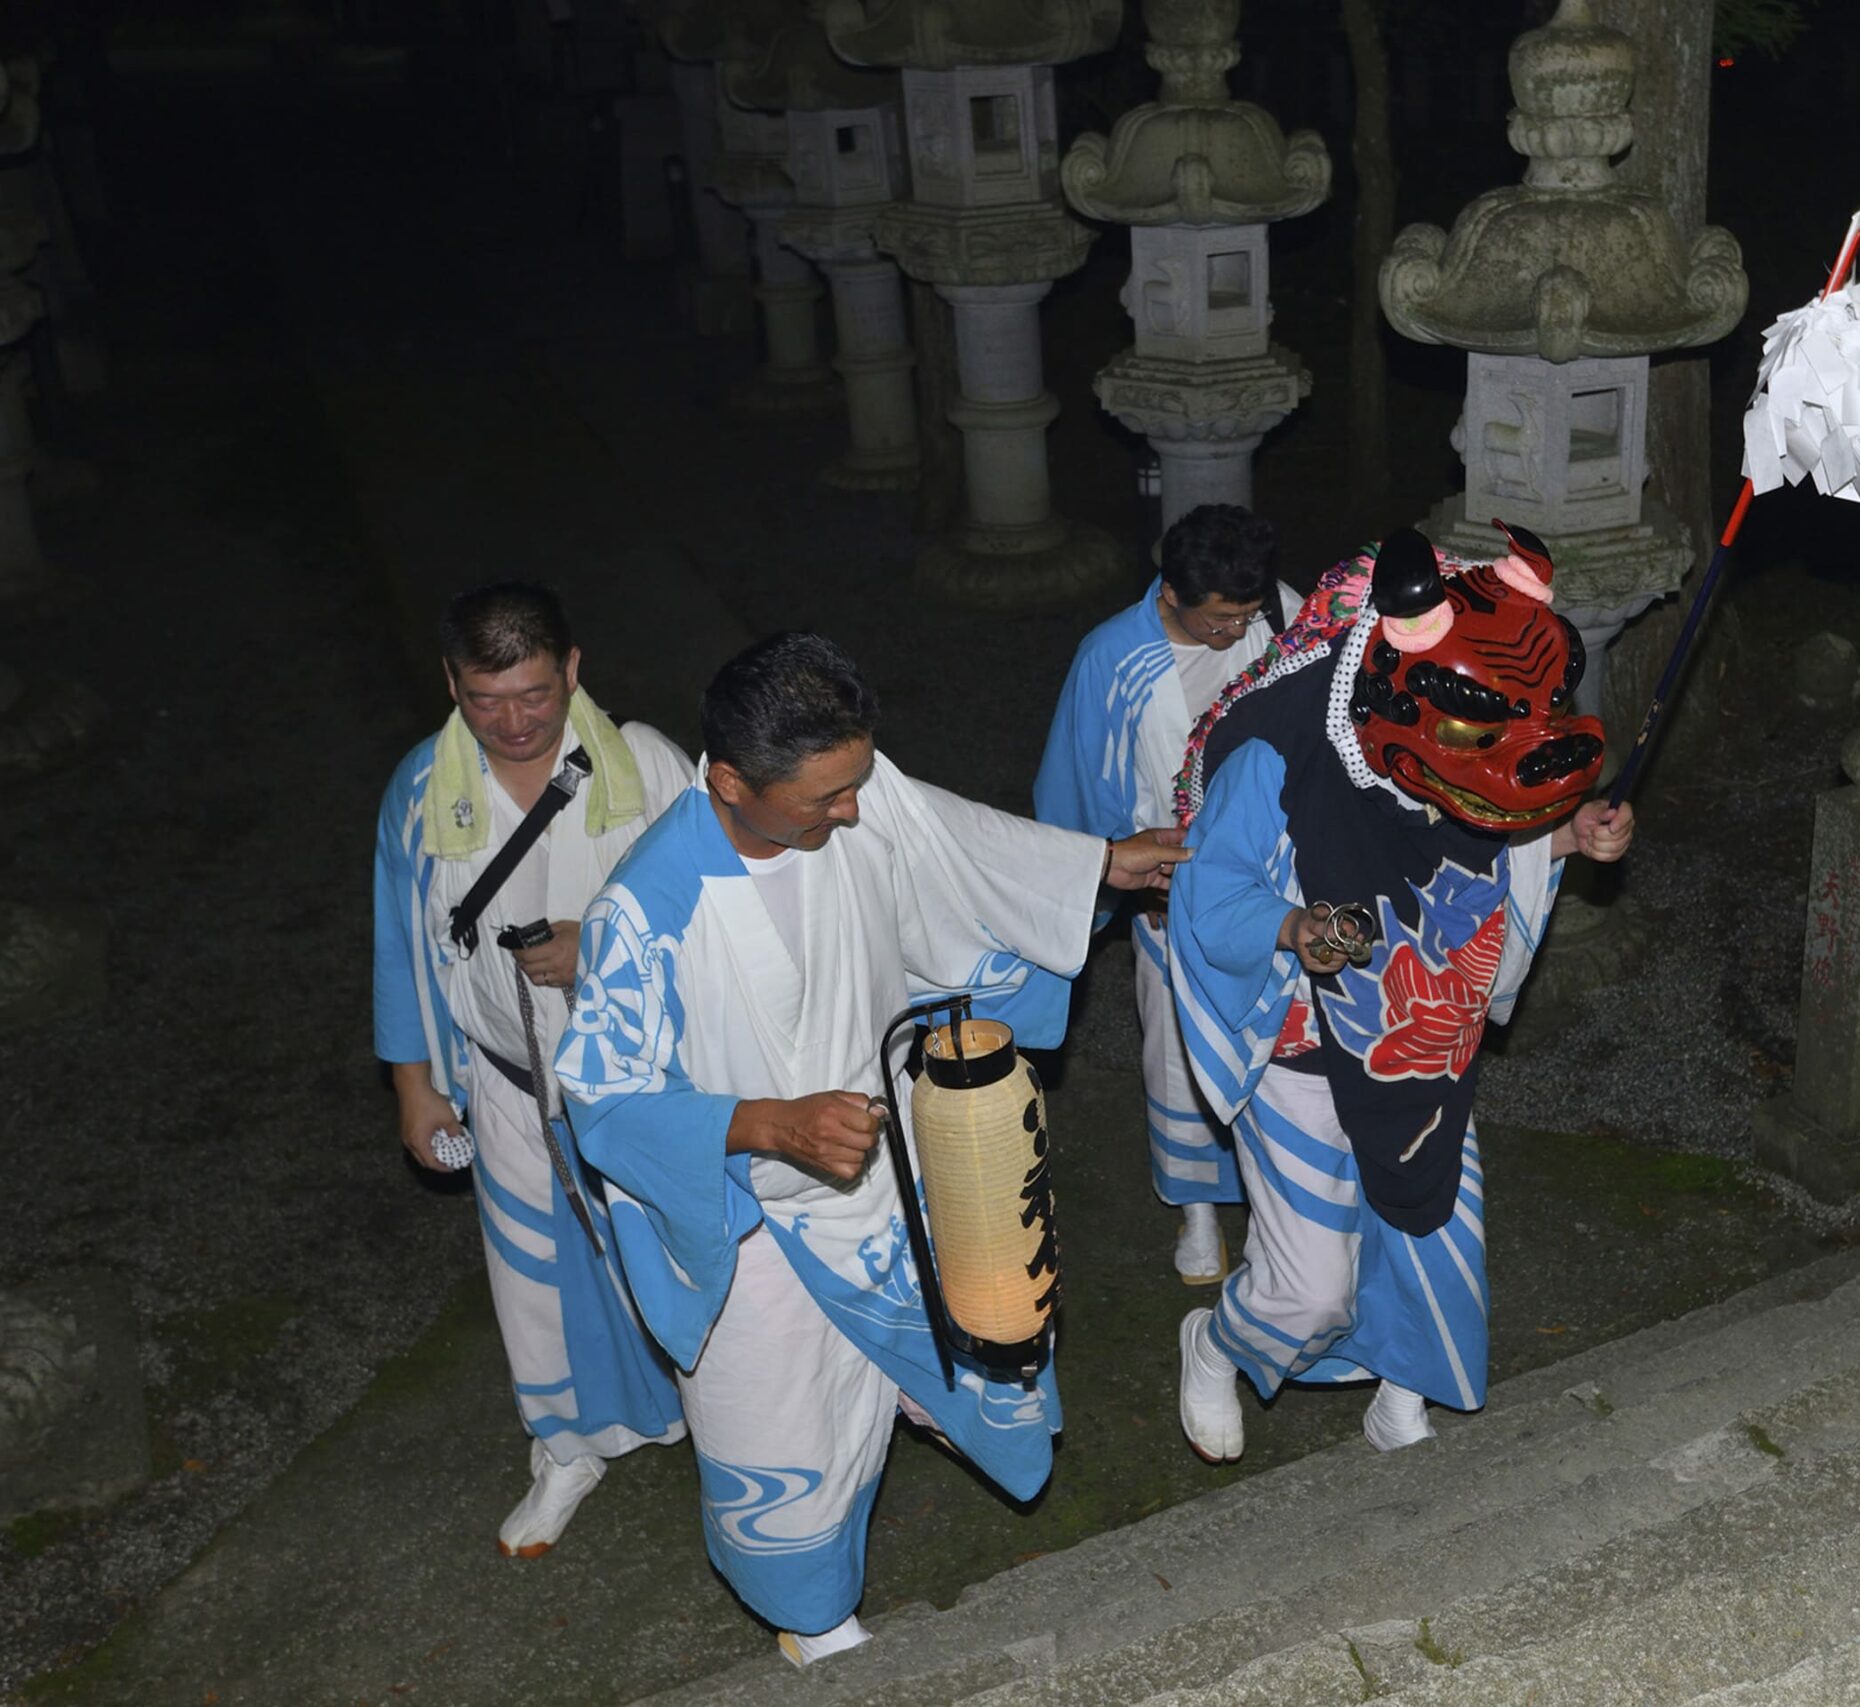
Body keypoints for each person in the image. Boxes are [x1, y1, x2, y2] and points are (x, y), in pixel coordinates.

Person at [555, 631, 1185, 1668]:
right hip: (750, 1210)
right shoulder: (645, 911)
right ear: (728, 782)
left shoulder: (854, 786)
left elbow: (958, 846)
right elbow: (606, 1100)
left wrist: (1103, 867)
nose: (853, 811)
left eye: (856, 782)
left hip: (885, 1163)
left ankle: (911, 1398)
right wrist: (764, 1122)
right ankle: (812, 1620)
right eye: (823, 800)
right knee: (790, 1426)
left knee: (961, 1346)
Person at [1163, 524, 1635, 1462]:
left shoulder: (1462, 715)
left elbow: (1490, 798)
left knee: (1428, 1227)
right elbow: (1209, 899)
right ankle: (1218, 1343)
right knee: (1310, 1286)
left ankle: (1400, 1386)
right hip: (1299, 1031)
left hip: (1423, 1028)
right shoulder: (1279, 743)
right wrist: (1294, 928)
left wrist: (1571, 834)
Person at [371, 582, 692, 1557]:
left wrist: (599, 943)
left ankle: (722, 1416)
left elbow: (727, 910)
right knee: (531, 1274)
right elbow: (399, 938)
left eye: (536, 696)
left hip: (646, 1079)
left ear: (574, 671)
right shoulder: (422, 789)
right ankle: (564, 1447)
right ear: (452, 686)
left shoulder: (649, 766)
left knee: (678, 1254)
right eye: (485, 699)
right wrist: (413, 1084)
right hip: (504, 1078)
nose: (512, 723)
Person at [1034, 503, 1304, 1284]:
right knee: (1178, 1054)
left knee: (1279, 1041)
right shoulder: (1111, 659)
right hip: (1172, 885)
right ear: (1171, 594)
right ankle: (1195, 1211)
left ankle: (1275, 1208)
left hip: (1277, 875)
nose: (1235, 634)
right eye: (1220, 621)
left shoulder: (1277, 612)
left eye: (1245, 617)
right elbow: (1073, 791)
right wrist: (1113, 875)